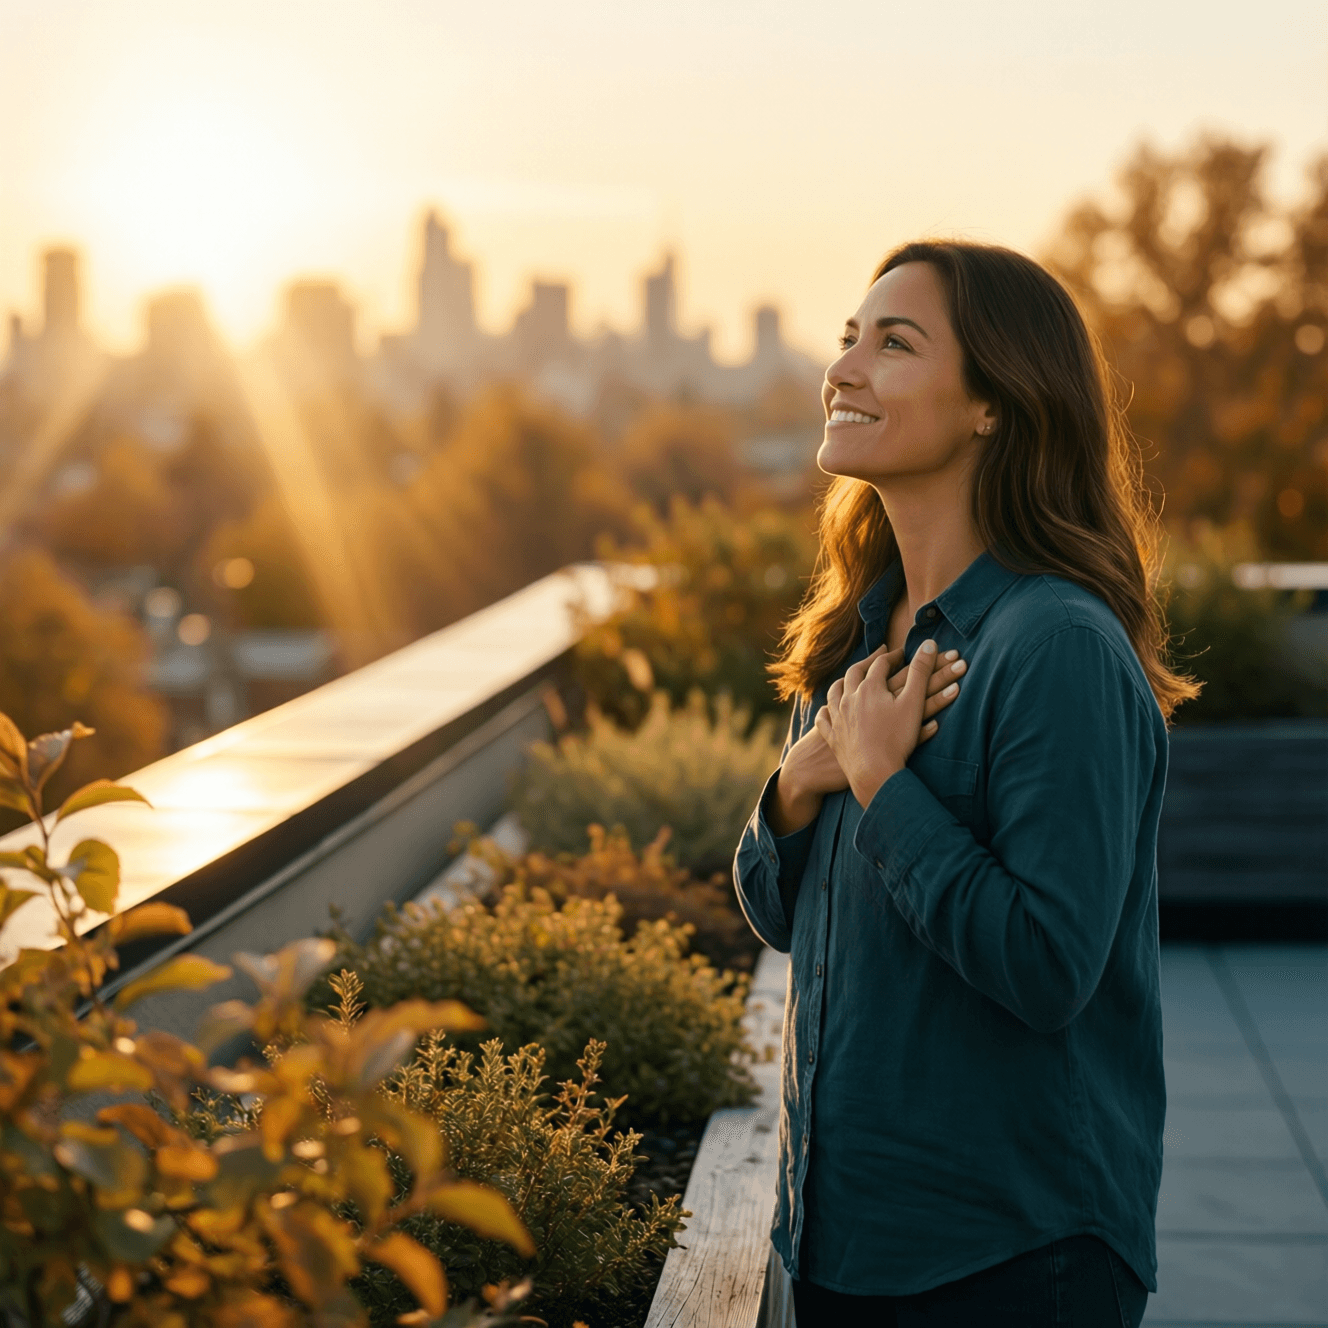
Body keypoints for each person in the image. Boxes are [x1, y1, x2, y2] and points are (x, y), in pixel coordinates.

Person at [733, 241, 1197, 1327]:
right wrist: (796, 787)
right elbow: (778, 913)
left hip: (1006, 1255)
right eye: (848, 337)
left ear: (994, 401)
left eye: (892, 342)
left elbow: (1045, 964)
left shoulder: (1056, 646)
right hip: (841, 1235)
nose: (842, 367)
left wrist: (884, 784)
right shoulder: (862, 630)